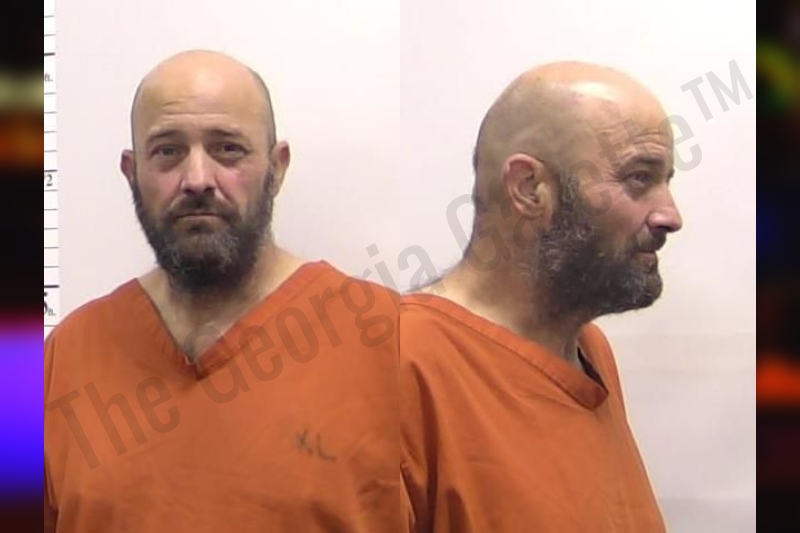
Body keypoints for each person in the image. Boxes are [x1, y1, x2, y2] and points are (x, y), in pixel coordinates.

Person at [44, 50, 401, 533]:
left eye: (228, 149)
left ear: (277, 167)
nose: (197, 180)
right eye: (167, 151)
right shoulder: (60, 360)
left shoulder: (389, 343)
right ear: (132, 172)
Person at [400, 61, 683, 532]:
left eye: (666, 181)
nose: (670, 215)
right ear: (529, 188)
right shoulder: (405, 368)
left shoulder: (587, 350)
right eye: (639, 178)